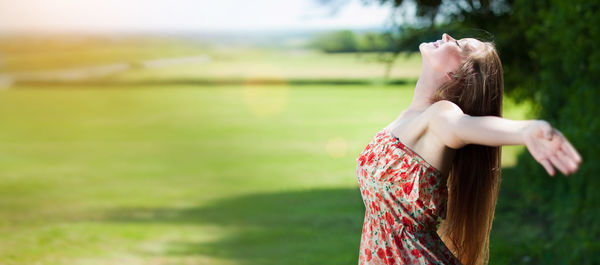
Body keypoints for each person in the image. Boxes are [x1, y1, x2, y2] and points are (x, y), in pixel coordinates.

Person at [355, 33, 582, 265]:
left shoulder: (441, 115)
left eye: (458, 45)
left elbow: (463, 126)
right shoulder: (408, 116)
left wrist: (524, 131)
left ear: (456, 75)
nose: (446, 35)